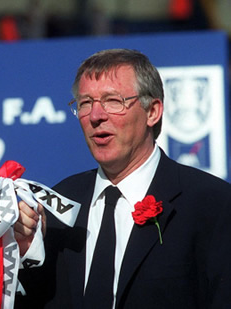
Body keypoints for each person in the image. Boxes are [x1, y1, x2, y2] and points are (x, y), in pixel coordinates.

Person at [14, 48, 231, 308]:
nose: (96, 116)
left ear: (152, 112)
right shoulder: (58, 203)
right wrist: (27, 252)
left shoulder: (212, 203)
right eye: (85, 103)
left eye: (113, 101)